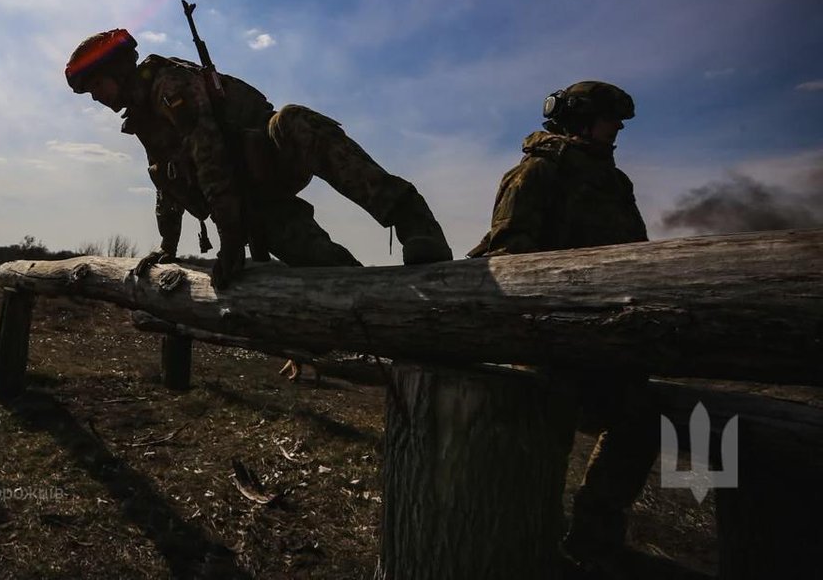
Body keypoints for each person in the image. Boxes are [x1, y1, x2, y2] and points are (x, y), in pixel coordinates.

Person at [65, 28, 452, 294]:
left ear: (116, 71)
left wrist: (230, 240)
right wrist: (168, 246)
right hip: (253, 202)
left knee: (294, 121)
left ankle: (413, 221)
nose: (97, 97)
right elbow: (166, 183)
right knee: (325, 271)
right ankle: (374, 312)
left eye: (97, 85)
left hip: (269, 162)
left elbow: (210, 155)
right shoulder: (143, 119)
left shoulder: (169, 86)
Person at [468, 80, 657, 573]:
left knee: (639, 421)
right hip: (550, 341)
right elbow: (512, 260)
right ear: (580, 118)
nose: (618, 128)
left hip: (608, 339)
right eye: (611, 118)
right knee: (541, 454)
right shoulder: (535, 174)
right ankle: (529, 546)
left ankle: (594, 536)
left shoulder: (614, 183)